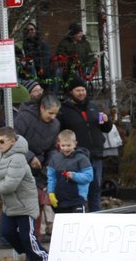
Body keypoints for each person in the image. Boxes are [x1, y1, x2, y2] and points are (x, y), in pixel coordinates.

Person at [0, 127, 49, 261]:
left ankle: (42, 258)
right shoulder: (2, 154)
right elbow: (1, 173)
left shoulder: (18, 158)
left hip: (24, 204)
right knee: (6, 233)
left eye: (2, 141)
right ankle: (30, 253)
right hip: (10, 204)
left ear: (12, 141)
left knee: (27, 236)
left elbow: (9, 185)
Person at [57, 77, 112, 211]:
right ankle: (79, 218)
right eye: (78, 90)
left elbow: (106, 129)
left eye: (83, 90)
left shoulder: (93, 107)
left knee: (95, 189)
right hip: (77, 157)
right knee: (78, 191)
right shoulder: (64, 111)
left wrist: (106, 121)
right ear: (71, 92)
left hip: (96, 155)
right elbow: (60, 133)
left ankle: (96, 217)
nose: (81, 93)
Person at [14, 92, 61, 236]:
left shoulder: (55, 125)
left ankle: (37, 238)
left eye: (55, 114)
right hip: (22, 167)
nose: (53, 117)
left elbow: (53, 147)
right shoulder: (25, 117)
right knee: (29, 207)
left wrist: (51, 163)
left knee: (41, 204)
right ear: (41, 108)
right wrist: (30, 157)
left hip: (41, 169)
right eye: (50, 113)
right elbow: (14, 139)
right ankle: (30, 238)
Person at [46, 129, 94, 214]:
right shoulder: (54, 159)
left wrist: (74, 176)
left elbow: (89, 176)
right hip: (60, 200)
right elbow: (51, 178)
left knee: (78, 224)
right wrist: (51, 192)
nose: (65, 148)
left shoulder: (82, 158)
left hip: (77, 199)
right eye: (63, 145)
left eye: (69, 145)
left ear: (75, 144)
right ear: (58, 144)